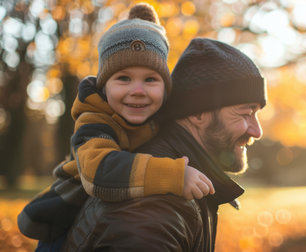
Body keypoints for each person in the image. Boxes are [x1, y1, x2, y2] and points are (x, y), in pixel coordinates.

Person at [17, 4, 214, 250]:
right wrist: (174, 175)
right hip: (66, 220)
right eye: (123, 78)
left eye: (151, 79)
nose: (138, 91)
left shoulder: (161, 116)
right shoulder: (94, 119)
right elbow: (99, 170)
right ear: (104, 86)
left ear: (166, 88)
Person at [62, 37, 267, 251]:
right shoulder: (155, 211)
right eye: (246, 113)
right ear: (198, 112)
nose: (257, 131)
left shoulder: (184, 186)